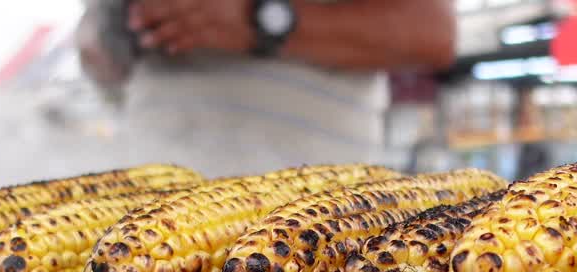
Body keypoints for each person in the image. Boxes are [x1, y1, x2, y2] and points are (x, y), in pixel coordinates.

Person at [77, 0, 456, 175]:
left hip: (310, 212)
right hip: (152, 209)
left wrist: (258, 20)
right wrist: (119, 30)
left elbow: (433, 33)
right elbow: (98, 53)